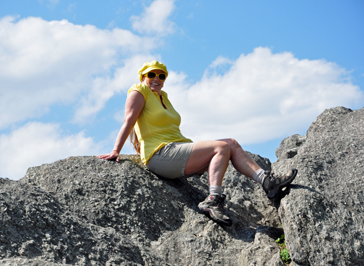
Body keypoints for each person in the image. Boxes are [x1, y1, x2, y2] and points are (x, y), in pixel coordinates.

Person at [98, 60, 297, 226]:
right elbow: (129, 119)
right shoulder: (139, 89)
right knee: (221, 147)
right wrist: (116, 150)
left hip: (176, 149)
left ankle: (267, 182)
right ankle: (213, 200)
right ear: (143, 77)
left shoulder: (163, 97)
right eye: (152, 75)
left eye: (161, 76)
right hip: (160, 154)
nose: (156, 79)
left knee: (232, 143)